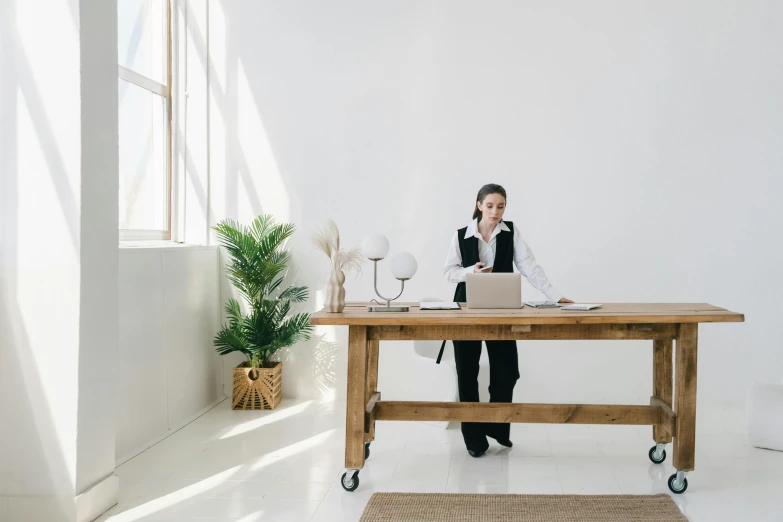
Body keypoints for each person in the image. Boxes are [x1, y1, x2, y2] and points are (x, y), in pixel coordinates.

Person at [443, 183, 573, 457]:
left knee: (507, 371)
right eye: (489, 206)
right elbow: (448, 272)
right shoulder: (460, 235)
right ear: (479, 205)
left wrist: (556, 296)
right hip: (466, 310)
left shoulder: (511, 232)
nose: (495, 211)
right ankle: (474, 440)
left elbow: (530, 267)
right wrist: (470, 272)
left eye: (500, 206)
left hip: (502, 310)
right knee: (467, 374)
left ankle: (496, 427)